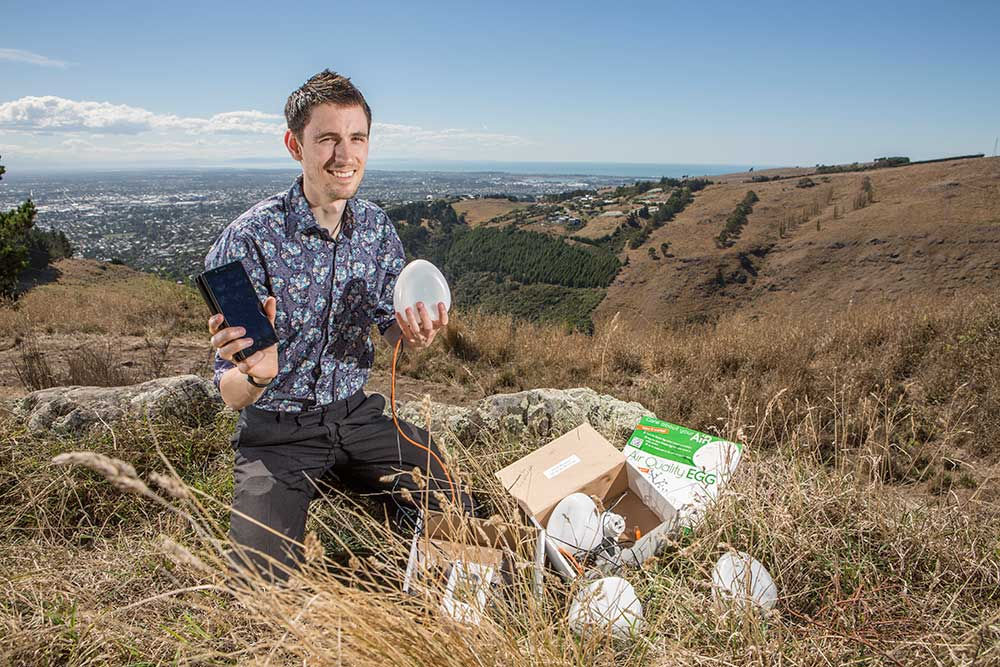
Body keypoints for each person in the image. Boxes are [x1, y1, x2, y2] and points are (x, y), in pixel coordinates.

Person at [204, 69, 475, 581]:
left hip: (357, 416)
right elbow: (232, 393)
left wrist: (413, 336)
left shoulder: (375, 229)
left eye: (356, 138)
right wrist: (260, 372)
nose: (344, 155)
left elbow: (390, 330)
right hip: (276, 432)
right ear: (294, 144)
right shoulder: (247, 242)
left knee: (447, 502)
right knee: (260, 583)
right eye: (327, 138)